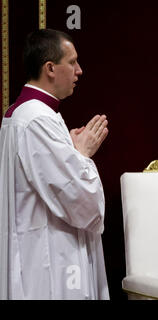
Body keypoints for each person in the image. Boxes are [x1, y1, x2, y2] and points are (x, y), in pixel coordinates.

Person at [0, 29, 109, 299]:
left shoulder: (24, 112)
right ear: (50, 68)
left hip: (35, 246)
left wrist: (69, 150)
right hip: (50, 257)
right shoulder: (38, 119)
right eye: (72, 62)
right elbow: (80, 200)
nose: (79, 70)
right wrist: (82, 155)